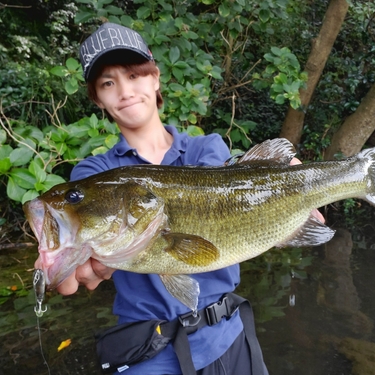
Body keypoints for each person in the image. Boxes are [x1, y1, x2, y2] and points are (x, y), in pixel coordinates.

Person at [53, 22, 323, 375]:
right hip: (149, 353)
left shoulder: (206, 148)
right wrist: (62, 262)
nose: (124, 90)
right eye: (108, 83)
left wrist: (294, 202)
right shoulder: (94, 174)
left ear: (155, 78)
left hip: (229, 337)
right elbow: (70, 278)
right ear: (96, 97)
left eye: (134, 75)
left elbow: (230, 194)